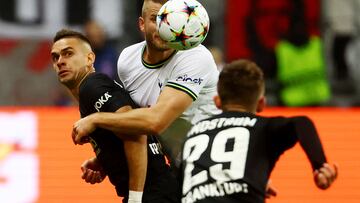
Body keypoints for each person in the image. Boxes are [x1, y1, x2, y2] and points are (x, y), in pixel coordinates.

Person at [71, 0, 220, 169]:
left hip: (215, 163)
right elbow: (136, 121)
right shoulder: (128, 61)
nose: (164, 28)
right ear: (141, 24)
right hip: (181, 168)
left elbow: (156, 121)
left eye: (170, 20)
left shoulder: (195, 57)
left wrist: (96, 119)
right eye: (156, 19)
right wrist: (105, 160)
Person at [180, 59, 338, 203]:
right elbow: (302, 123)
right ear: (262, 103)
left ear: (217, 102)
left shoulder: (194, 133)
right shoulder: (261, 127)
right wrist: (320, 165)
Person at [51, 29, 179, 203]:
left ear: (90, 59)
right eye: (55, 57)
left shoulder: (91, 86)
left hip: (153, 193)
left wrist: (135, 199)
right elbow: (127, 127)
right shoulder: (90, 92)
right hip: (160, 189)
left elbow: (136, 132)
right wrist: (105, 160)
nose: (60, 62)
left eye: (68, 54)